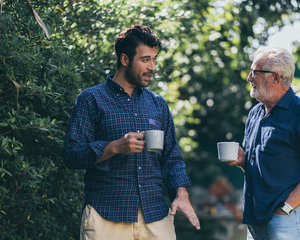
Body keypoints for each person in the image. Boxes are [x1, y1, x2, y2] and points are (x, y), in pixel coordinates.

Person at [63, 25, 200, 240]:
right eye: (145, 60)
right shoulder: (91, 99)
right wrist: (114, 147)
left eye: (154, 59)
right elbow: (72, 154)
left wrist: (181, 193)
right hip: (106, 217)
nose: (152, 66)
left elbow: (172, 158)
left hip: (156, 217)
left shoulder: (158, 104)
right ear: (125, 60)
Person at [228, 46, 300, 240]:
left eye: (254, 72)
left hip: (288, 220)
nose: (249, 78)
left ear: (276, 77)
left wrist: (286, 209)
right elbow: (262, 172)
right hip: (256, 222)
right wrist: (243, 162)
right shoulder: (255, 114)